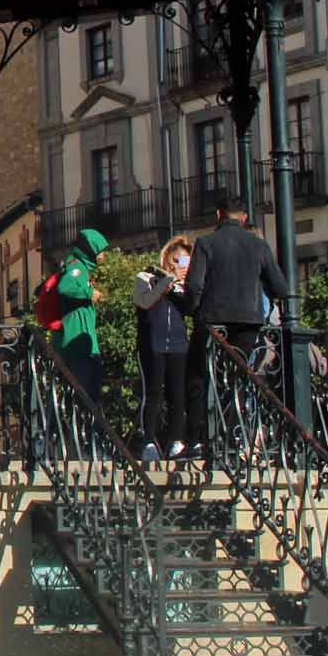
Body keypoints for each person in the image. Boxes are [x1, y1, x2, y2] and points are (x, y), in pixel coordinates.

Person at [183, 194, 286, 451]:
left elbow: (194, 285)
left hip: (212, 322)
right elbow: (280, 286)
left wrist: (193, 311)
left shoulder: (206, 243)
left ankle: (198, 439)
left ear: (218, 215)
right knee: (238, 377)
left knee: (200, 377)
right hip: (248, 324)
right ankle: (230, 437)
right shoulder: (257, 245)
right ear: (244, 217)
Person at [132, 235, 194, 459]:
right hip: (152, 343)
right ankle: (148, 439)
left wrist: (184, 288)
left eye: (187, 262)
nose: (182, 267)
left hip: (178, 345)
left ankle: (176, 440)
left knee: (177, 394)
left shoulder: (184, 287)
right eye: (178, 261)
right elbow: (144, 302)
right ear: (168, 259)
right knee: (153, 392)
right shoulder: (146, 277)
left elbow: (192, 308)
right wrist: (167, 282)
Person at [52, 228, 109, 405]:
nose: (104, 255)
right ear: (91, 249)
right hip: (78, 341)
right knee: (86, 396)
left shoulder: (78, 266)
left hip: (80, 340)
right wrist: (89, 292)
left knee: (88, 396)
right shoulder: (77, 267)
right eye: (101, 250)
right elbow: (65, 286)